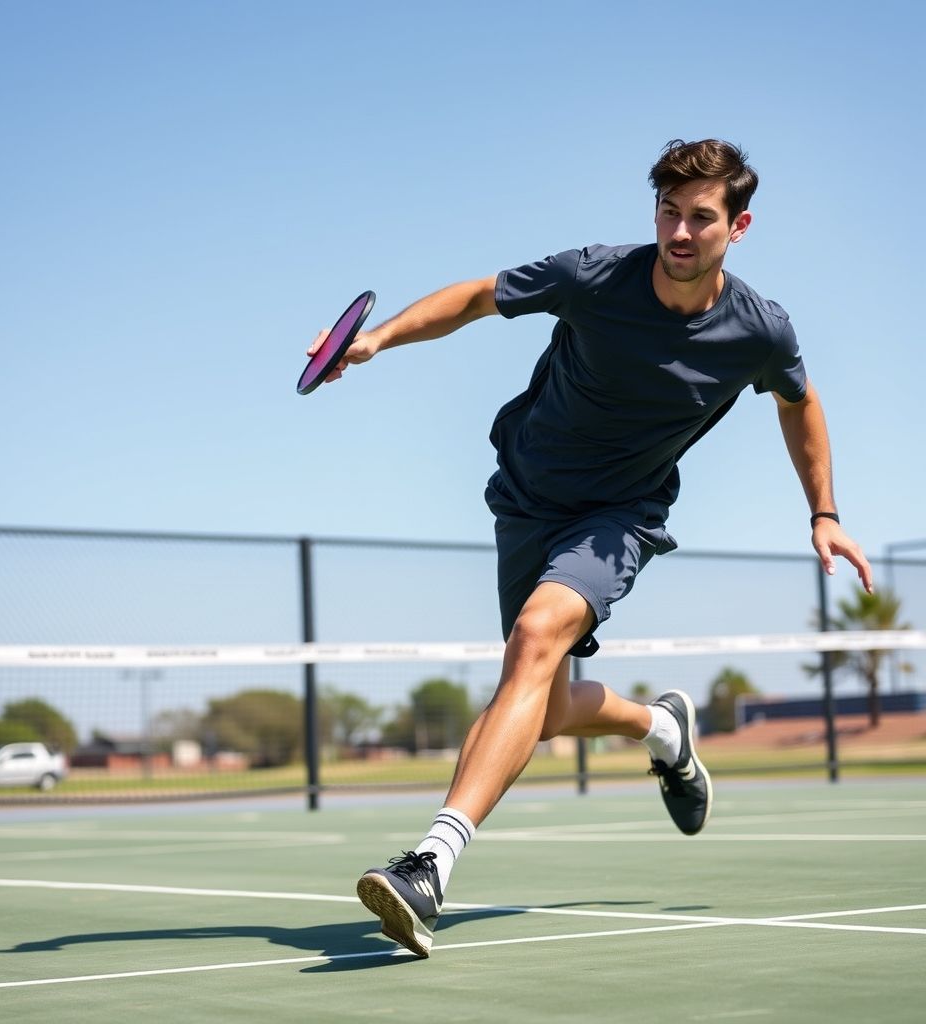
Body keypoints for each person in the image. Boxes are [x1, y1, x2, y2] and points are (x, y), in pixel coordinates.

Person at [307, 139, 873, 958]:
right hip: (527, 495)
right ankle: (661, 729)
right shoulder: (593, 275)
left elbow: (800, 399)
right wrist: (377, 340)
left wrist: (823, 509)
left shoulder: (759, 329)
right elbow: (475, 296)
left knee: (535, 641)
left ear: (737, 226)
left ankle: (429, 864)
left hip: (621, 512)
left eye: (701, 218)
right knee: (542, 706)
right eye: (669, 212)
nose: (681, 231)